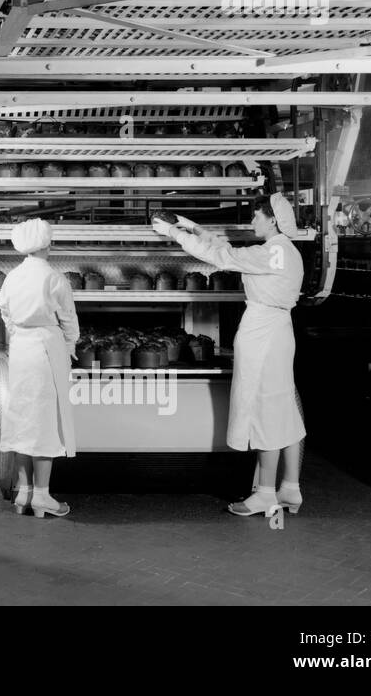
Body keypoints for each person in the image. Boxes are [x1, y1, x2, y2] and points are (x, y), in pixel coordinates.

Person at [152, 193, 306, 517]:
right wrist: (187, 224)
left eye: (256, 217)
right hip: (279, 331)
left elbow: (222, 256)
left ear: (272, 220)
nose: (252, 222)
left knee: (265, 412)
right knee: (283, 409)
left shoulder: (271, 252)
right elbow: (226, 248)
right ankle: (290, 488)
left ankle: (265, 493)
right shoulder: (289, 252)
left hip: (263, 333)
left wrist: (173, 234)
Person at [0, 218, 80, 518]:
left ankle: (23, 492)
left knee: (23, 418)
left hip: (21, 349)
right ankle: (42, 496)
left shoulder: (12, 277)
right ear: (47, 244)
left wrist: (18, 333)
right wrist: (71, 346)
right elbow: (68, 319)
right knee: (45, 421)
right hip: (47, 348)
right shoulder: (54, 278)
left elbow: (4, 310)